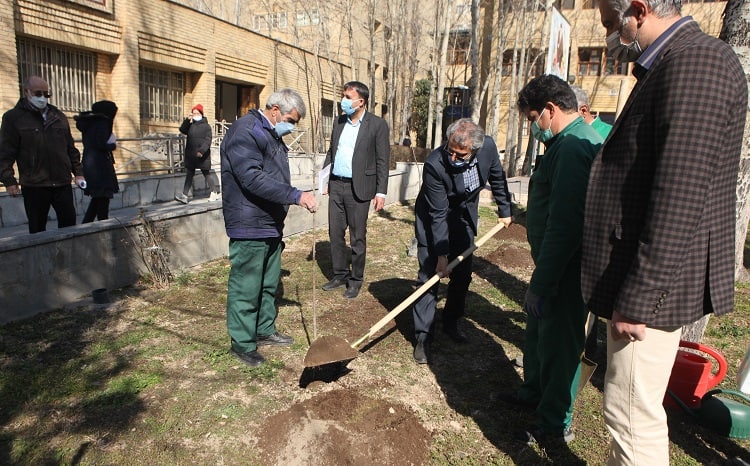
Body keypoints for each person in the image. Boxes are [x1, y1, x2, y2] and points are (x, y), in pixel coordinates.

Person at [582, 1, 747, 464]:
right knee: (627, 411)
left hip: (653, 289)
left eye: (612, 23)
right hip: (647, 278)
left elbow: (680, 194)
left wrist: (639, 297)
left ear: (638, 9)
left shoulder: (696, 63)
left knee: (632, 416)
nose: (612, 36)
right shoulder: (674, 61)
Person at [507, 75, 602, 446]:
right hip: (553, 264)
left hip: (567, 269)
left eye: (533, 119)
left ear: (549, 109)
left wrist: (543, 283)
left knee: (561, 345)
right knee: (540, 335)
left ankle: (554, 423)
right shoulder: (563, 143)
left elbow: (566, 224)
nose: (534, 127)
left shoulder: (573, 147)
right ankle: (534, 392)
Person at [220, 88, 318, 368]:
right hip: (249, 222)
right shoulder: (246, 132)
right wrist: (296, 196)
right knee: (247, 285)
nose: (292, 127)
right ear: (275, 110)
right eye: (291, 120)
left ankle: (264, 329)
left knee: (267, 282)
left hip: (270, 222)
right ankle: (242, 342)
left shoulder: (270, 134)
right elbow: (252, 178)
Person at [412, 118, 512, 364]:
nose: (453, 158)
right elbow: (438, 214)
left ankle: (451, 321)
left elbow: (497, 177)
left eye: (461, 154)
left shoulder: (488, 147)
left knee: (463, 274)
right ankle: (423, 336)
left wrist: (505, 209)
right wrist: (442, 255)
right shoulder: (435, 165)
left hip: (463, 215)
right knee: (429, 276)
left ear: (475, 149)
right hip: (434, 217)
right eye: (451, 151)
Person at [321, 81, 390, 299]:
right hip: (336, 185)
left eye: (348, 97)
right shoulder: (339, 121)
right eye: (343, 96)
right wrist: (325, 179)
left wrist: (381, 192)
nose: (344, 101)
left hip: (359, 188)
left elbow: (383, 160)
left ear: (361, 102)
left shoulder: (377, 125)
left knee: (357, 236)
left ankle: (355, 279)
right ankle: (340, 274)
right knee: (335, 233)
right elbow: (332, 151)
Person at [0, 76, 85, 234]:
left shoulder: (58, 116)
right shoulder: (14, 118)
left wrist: (78, 173)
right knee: (38, 229)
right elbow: (6, 152)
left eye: (46, 94)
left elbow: (70, 148)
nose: (43, 98)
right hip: (35, 184)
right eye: (38, 93)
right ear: (26, 92)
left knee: (70, 226)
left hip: (62, 181)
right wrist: (9, 180)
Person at [75, 100, 119, 223]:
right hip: (100, 166)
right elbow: (101, 143)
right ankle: (102, 223)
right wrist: (112, 145)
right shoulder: (102, 123)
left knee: (98, 198)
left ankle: (88, 223)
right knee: (102, 197)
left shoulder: (89, 122)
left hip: (90, 164)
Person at [176, 104, 220, 204]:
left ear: (201, 114)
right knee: (189, 174)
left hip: (202, 155)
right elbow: (182, 129)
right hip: (191, 155)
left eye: (197, 113)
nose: (195, 115)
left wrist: (202, 151)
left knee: (206, 173)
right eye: (194, 113)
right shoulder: (191, 126)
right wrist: (187, 120)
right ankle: (184, 195)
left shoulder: (206, 126)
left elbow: (208, 140)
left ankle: (214, 192)